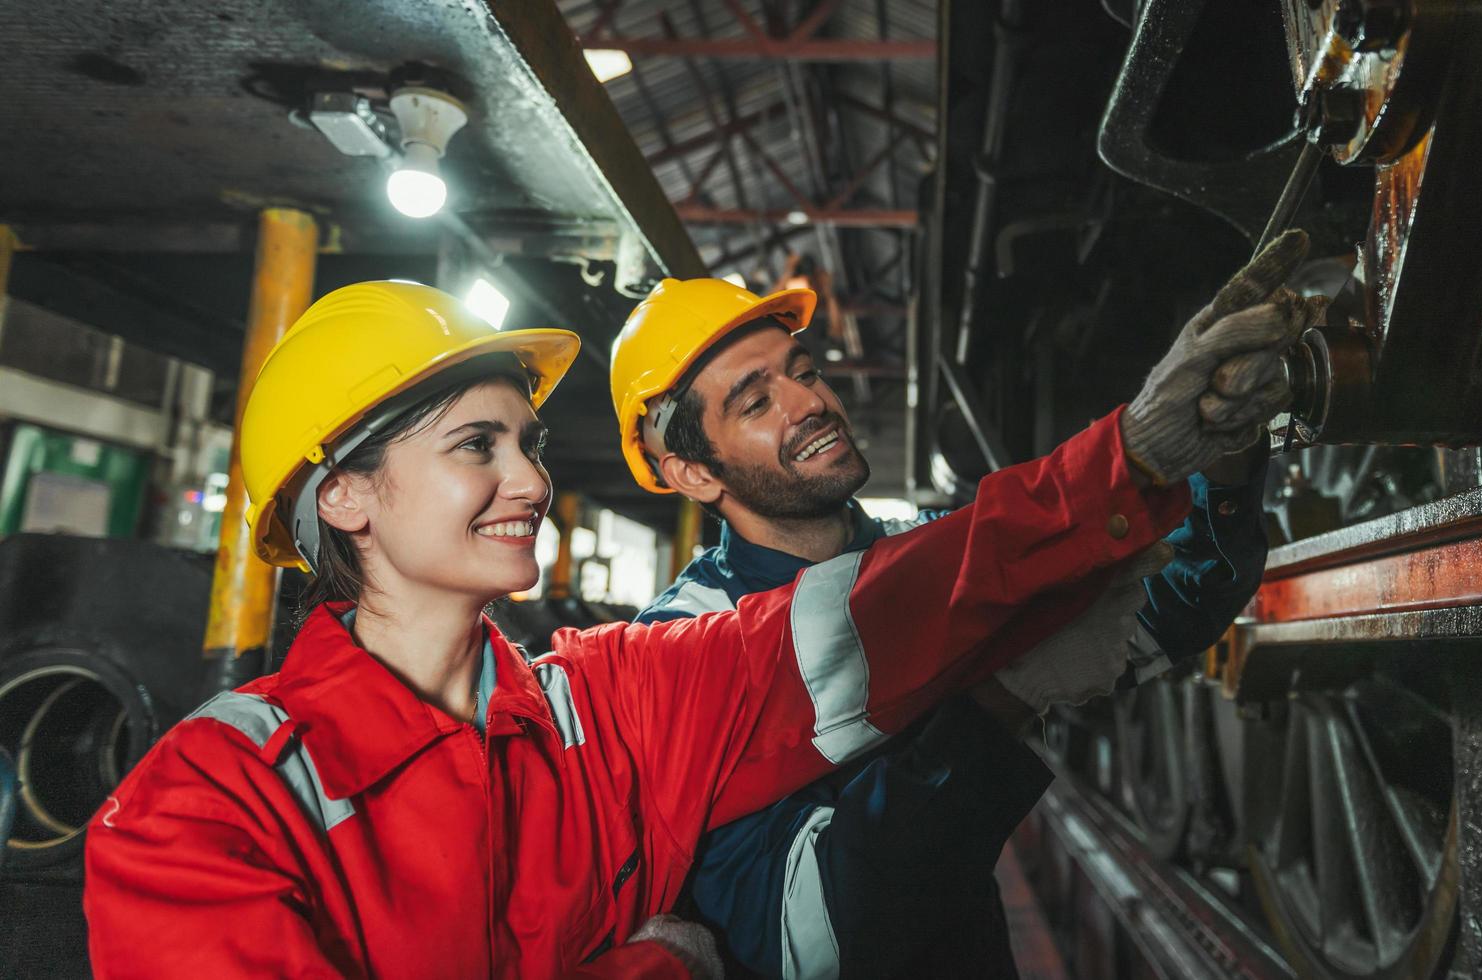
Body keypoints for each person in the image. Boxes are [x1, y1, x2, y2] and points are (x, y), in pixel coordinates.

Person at [81, 232, 1313, 977]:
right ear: (345, 496)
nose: (529, 479)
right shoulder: (202, 804)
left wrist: (1147, 453)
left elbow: (877, 613)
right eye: (476, 446)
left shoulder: (607, 693)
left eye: (525, 440)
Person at [611, 251, 1291, 978]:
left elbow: (1166, 610)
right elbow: (810, 935)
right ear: (693, 472)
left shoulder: (931, 557)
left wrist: (1222, 453)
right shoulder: (678, 647)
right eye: (754, 402)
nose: (808, 403)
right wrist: (1002, 701)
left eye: (802, 371)